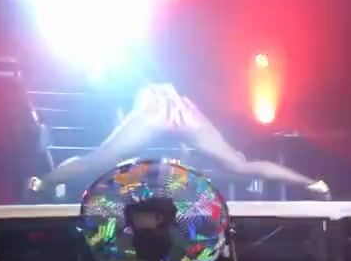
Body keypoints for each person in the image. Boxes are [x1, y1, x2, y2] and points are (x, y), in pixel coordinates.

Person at [32, 83, 330, 198]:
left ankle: (41, 183)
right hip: (184, 111)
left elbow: (114, 138)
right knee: (240, 165)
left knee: (96, 159)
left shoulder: (141, 91)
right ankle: (313, 183)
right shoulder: (169, 90)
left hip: (156, 111)